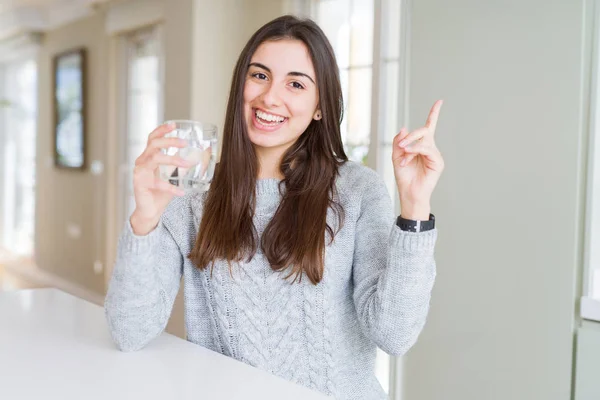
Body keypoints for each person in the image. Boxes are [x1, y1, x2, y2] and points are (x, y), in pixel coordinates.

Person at [105, 14, 444, 400]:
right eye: (259, 75)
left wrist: (415, 207)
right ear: (241, 86)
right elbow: (129, 331)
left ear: (320, 106)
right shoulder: (193, 194)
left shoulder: (357, 189)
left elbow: (394, 333)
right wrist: (145, 216)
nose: (269, 97)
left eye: (296, 84)